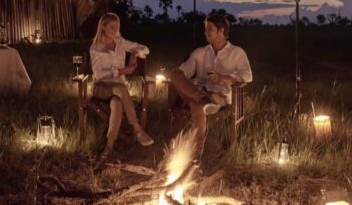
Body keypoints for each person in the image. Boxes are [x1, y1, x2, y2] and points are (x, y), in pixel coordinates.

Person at [168, 12, 252, 157]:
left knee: (199, 103)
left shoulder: (237, 53)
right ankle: (198, 96)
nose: (205, 32)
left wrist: (224, 78)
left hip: (220, 95)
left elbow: (248, 76)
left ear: (221, 31)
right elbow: (182, 71)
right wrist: (184, 80)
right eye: (205, 29)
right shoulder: (200, 53)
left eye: (209, 29)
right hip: (200, 92)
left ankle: (195, 153)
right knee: (174, 74)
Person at [89, 12, 155, 160]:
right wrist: (122, 71)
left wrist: (135, 53)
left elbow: (145, 48)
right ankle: (138, 130)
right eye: (112, 27)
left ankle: (109, 146)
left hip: (118, 91)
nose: (115, 30)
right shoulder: (95, 48)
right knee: (120, 88)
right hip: (101, 87)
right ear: (103, 27)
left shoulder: (120, 43)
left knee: (117, 103)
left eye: (117, 27)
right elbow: (99, 74)